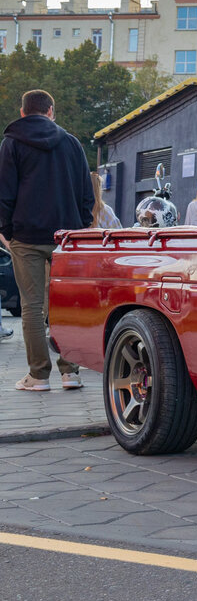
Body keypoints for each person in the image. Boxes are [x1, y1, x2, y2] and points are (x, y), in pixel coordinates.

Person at [0, 89, 93, 391]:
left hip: (26, 237)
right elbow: (86, 194)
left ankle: (38, 376)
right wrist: (79, 227)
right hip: (65, 238)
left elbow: (4, 194)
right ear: (51, 110)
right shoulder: (71, 144)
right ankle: (71, 373)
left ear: (23, 111)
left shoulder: (11, 143)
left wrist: (7, 230)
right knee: (64, 306)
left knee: (31, 307)